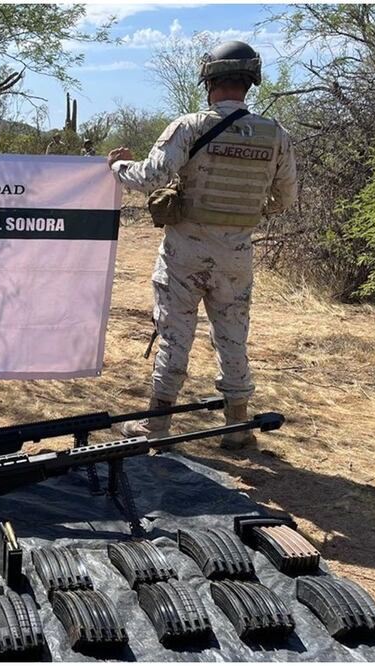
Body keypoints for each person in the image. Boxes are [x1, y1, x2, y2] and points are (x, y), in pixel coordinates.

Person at [106, 40, 297, 449]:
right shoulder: (275, 134)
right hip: (237, 255)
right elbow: (285, 200)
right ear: (251, 81)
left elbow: (150, 177)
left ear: (209, 79)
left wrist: (117, 166)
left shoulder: (190, 126)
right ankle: (239, 426)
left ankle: (156, 425)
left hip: (184, 252)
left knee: (175, 333)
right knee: (233, 335)